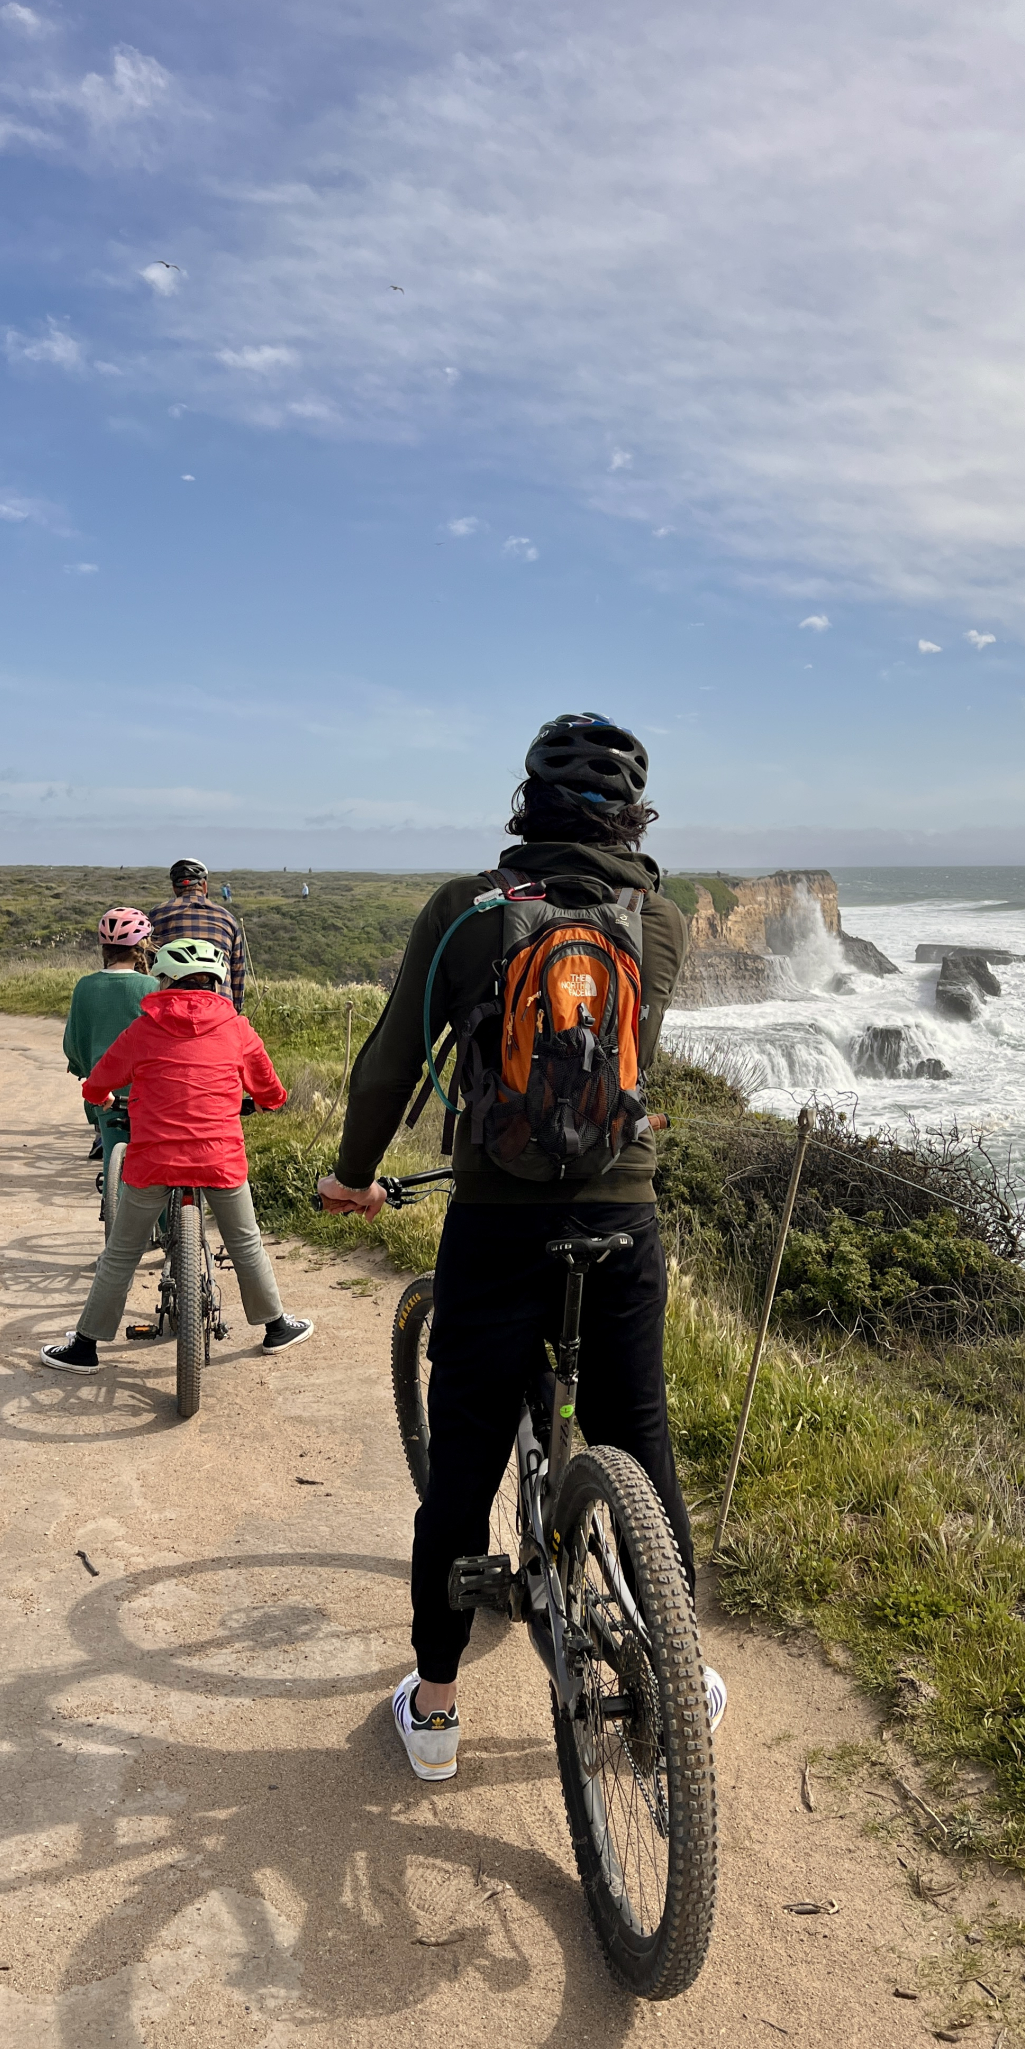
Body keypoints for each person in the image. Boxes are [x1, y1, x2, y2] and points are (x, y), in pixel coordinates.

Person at [318, 712, 726, 1782]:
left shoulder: (466, 911)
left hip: (496, 1223)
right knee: (638, 1430)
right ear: (633, 818)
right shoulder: (660, 921)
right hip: (622, 1221)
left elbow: (386, 1068)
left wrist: (353, 1176)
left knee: (465, 1465)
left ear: (523, 809)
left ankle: (439, 1708)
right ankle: (684, 1668)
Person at [40, 937, 313, 1370]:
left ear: (163, 980)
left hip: (154, 1160)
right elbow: (272, 1092)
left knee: (122, 1254)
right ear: (219, 983)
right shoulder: (237, 1028)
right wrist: (262, 1102)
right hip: (220, 1160)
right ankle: (276, 1327)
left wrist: (107, 1098)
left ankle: (86, 1346)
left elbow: (95, 1084)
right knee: (245, 1243)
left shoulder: (142, 1029)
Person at [64, 907, 156, 1167]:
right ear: (142, 947)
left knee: (111, 1158)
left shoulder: (85, 986)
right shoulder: (151, 987)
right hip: (145, 1090)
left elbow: (73, 1042)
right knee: (150, 1167)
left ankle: (111, 1203)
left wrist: (83, 1068)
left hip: (104, 1089)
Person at [147, 857, 249, 1013]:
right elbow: (238, 970)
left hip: (168, 1009)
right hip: (220, 1008)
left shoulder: (156, 915)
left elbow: (146, 965)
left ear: (175, 888)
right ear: (205, 886)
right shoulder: (227, 918)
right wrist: (235, 1011)